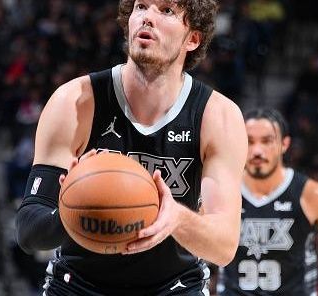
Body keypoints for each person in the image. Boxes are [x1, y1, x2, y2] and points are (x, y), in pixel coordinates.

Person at [15, 0, 248, 295]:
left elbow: (224, 246)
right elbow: (28, 232)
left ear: (193, 38)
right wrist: (76, 206)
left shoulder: (218, 117)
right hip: (78, 284)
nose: (148, 17)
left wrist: (175, 217)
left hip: (174, 287)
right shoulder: (74, 102)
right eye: (141, 6)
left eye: (166, 10)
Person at [217, 108, 318, 296]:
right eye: (249, 141)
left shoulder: (313, 195)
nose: (257, 150)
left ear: (284, 144)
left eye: (267, 141)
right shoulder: (220, 191)